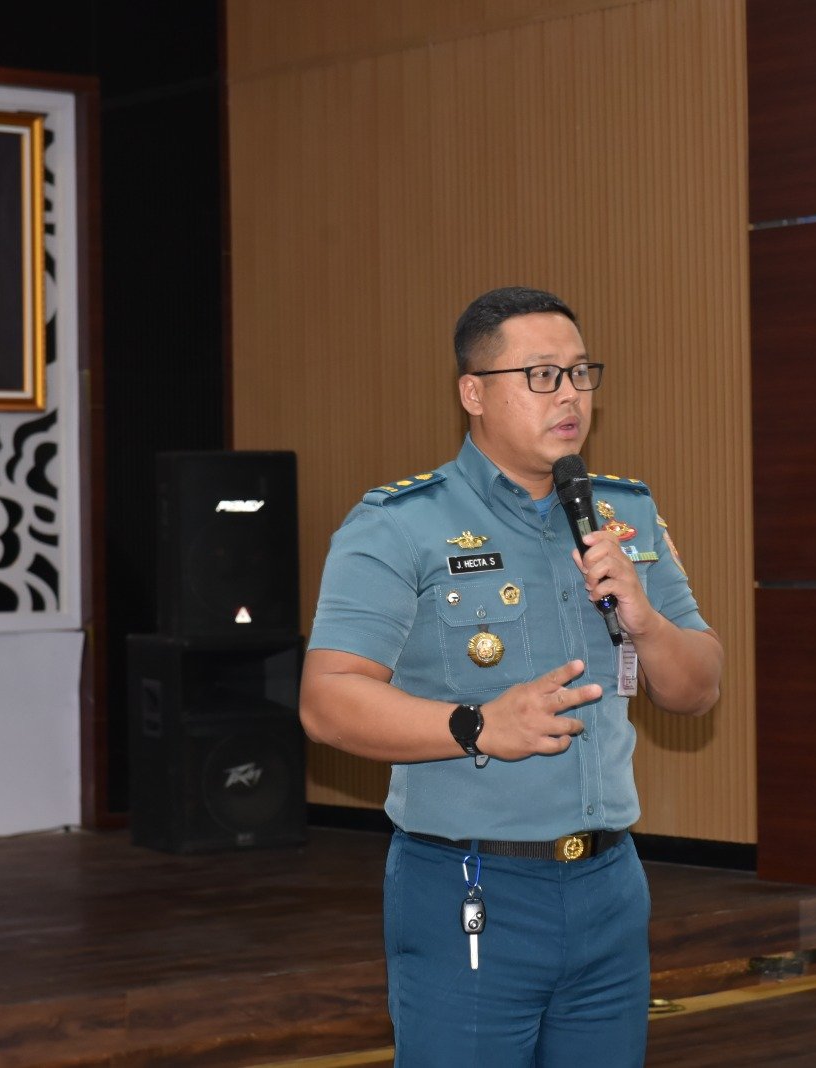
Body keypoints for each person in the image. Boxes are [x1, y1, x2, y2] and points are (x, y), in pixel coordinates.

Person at [300, 286, 723, 1066]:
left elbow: (698, 690)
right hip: (470, 886)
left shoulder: (622, 514)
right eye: (541, 375)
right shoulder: (399, 524)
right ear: (473, 393)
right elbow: (326, 701)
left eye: (580, 373)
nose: (569, 395)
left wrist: (646, 619)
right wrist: (476, 726)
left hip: (610, 886)